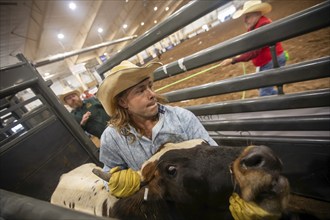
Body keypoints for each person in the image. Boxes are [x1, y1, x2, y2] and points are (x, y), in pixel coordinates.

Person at [96, 60, 218, 198]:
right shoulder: (112, 137)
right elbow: (110, 171)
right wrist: (117, 183)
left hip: (195, 193)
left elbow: (212, 152)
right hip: (155, 203)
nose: (152, 94)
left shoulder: (181, 118)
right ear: (123, 102)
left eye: (150, 86)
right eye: (141, 91)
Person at [220, 0, 286, 96]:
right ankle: (281, 98)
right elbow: (252, 46)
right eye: (244, 17)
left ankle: (283, 102)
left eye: (247, 17)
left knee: (264, 92)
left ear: (257, 14)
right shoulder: (254, 26)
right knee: (263, 88)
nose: (245, 20)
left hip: (272, 60)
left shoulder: (263, 26)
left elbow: (254, 52)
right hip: (267, 61)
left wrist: (233, 60)